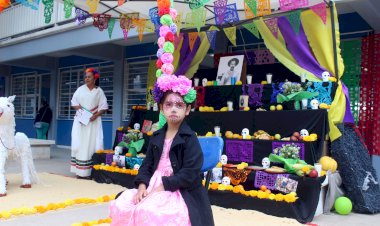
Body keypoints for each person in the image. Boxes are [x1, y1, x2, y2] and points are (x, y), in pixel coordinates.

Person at [109, 75, 214, 226]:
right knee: (123, 203)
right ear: (161, 108)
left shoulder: (189, 138)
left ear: (187, 110)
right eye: (169, 104)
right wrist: (142, 186)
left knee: (150, 211)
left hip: (178, 189)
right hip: (153, 183)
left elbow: (189, 173)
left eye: (179, 105)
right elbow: (147, 165)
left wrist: (162, 187)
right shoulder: (157, 136)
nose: (173, 109)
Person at [70, 68, 108, 179]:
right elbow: (74, 103)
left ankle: (89, 172)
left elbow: (104, 106)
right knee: (81, 144)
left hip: (93, 122)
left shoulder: (99, 91)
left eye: (89, 77)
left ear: (95, 78)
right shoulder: (80, 89)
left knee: (91, 144)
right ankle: (79, 172)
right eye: (85, 77)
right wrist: (82, 113)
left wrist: (95, 115)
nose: (87, 79)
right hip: (81, 122)